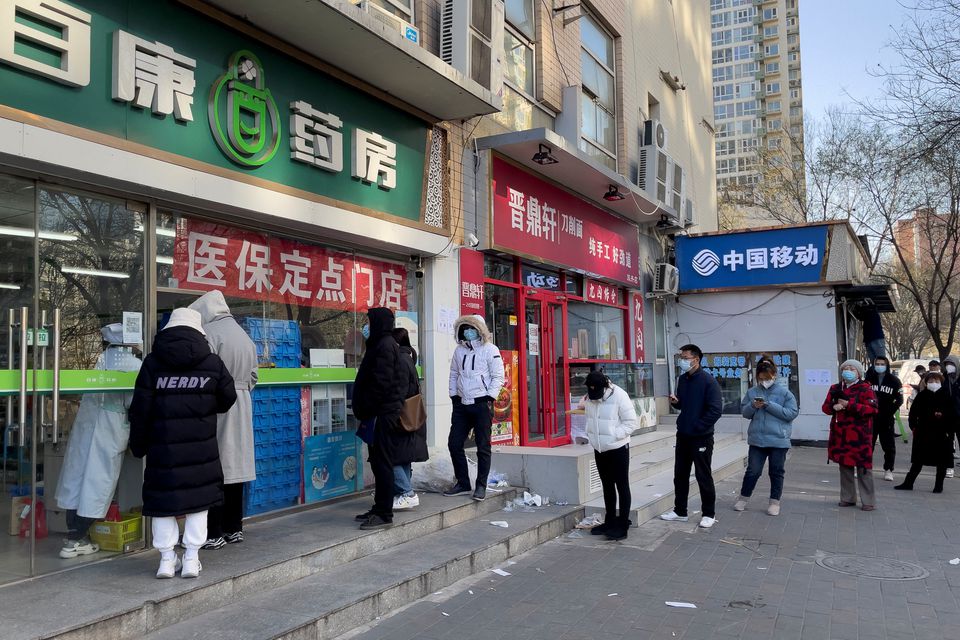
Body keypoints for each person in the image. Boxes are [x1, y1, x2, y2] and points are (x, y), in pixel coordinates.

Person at [128, 308, 237, 579]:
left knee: (164, 502)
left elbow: (140, 410)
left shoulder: (153, 364)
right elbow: (228, 397)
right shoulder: (211, 362)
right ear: (198, 331)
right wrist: (205, 406)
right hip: (201, 448)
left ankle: (166, 560)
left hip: (162, 448)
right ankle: (191, 558)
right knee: (198, 500)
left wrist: (138, 445)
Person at [55, 324, 142, 559]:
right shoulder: (134, 365)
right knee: (99, 482)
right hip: (110, 429)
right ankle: (77, 539)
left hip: (88, 425)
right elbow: (134, 402)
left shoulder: (101, 359)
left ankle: (75, 533)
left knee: (77, 479)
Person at [189, 291, 258, 549]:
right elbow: (253, 376)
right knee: (236, 467)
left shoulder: (209, 334)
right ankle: (234, 527)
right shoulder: (243, 335)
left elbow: (205, 373)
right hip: (242, 403)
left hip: (219, 406)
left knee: (215, 467)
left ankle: (213, 531)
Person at [351, 308, 408, 530]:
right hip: (379, 413)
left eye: (369, 321)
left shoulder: (384, 345)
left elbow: (380, 383)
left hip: (381, 414)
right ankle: (379, 507)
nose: (366, 325)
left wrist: (366, 408)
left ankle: (384, 512)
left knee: (382, 462)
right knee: (377, 461)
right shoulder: (381, 343)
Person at [660, 344, 722, 529]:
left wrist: (698, 426)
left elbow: (715, 410)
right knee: (680, 474)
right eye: (681, 357)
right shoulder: (683, 379)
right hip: (683, 435)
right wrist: (676, 403)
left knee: (703, 475)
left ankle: (708, 513)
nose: (682, 361)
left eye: (685, 357)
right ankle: (680, 511)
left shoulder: (708, 381)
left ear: (696, 359)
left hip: (701, 437)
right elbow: (684, 405)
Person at [444, 315, 505, 502]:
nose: (467, 332)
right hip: (462, 404)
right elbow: (454, 373)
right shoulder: (459, 351)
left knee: (483, 447)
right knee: (454, 443)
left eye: (471, 328)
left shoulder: (490, 350)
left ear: (479, 330)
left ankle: (481, 485)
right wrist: (454, 395)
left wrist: (489, 397)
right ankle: (463, 483)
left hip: (481, 404)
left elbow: (498, 376)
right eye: (464, 329)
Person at [580, 371, 638, 540]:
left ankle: (622, 524)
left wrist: (614, 435)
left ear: (605, 386)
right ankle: (610, 520)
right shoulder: (590, 397)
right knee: (607, 486)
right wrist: (593, 438)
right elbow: (590, 419)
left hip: (618, 448)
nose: (594, 395)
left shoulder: (620, 395)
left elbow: (630, 422)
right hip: (599, 449)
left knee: (622, 485)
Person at [735, 362, 799, 516]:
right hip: (757, 439)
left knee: (776, 471)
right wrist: (753, 405)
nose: (764, 381)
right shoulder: (752, 392)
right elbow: (745, 413)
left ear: (774, 376)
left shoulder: (785, 393)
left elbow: (791, 413)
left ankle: (774, 502)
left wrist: (768, 405)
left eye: (767, 378)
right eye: (761, 378)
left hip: (778, 439)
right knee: (753, 471)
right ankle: (743, 498)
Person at [821, 359, 879, 511]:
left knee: (864, 469)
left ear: (858, 372)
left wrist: (849, 405)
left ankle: (868, 501)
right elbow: (825, 408)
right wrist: (834, 407)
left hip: (860, 435)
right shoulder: (835, 388)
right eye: (845, 368)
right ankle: (847, 498)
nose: (848, 371)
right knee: (845, 467)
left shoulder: (866, 389)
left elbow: (872, 409)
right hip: (841, 435)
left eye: (852, 369)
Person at [895, 372, 955, 493]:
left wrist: (943, 418)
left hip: (942, 433)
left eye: (936, 381)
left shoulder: (947, 396)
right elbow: (913, 413)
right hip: (924, 432)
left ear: (941, 383)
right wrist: (914, 427)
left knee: (941, 462)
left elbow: (953, 415)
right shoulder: (922, 396)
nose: (934, 384)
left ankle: (939, 486)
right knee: (918, 460)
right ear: (926, 383)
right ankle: (908, 483)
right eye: (931, 381)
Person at [389, 327, 428, 511]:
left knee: (392, 457)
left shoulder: (401, 361)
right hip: (408, 417)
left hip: (401, 417)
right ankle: (403, 492)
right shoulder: (409, 358)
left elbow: (399, 391)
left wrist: (391, 414)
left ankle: (408, 493)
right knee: (403, 457)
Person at [865, 356, 902, 482]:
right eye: (877, 363)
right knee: (868, 444)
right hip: (871, 417)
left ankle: (888, 469)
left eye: (882, 364)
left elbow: (900, 399)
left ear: (887, 365)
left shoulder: (894, 381)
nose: (880, 366)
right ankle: (865, 467)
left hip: (886, 418)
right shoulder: (869, 379)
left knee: (889, 445)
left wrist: (890, 411)